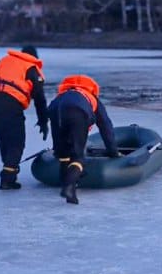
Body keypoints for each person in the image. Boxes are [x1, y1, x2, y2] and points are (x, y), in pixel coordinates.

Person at [0, 46, 49, 190]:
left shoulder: (5, 61)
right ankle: (7, 179)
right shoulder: (31, 68)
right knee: (16, 142)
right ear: (34, 57)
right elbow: (40, 98)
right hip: (11, 105)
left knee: (4, 139)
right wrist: (43, 122)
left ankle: (9, 170)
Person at [47, 74, 119, 205]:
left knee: (63, 153)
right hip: (77, 112)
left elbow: (51, 111)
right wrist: (113, 151)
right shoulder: (91, 98)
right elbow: (105, 127)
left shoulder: (62, 95)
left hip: (54, 110)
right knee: (78, 156)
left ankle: (67, 187)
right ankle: (69, 187)